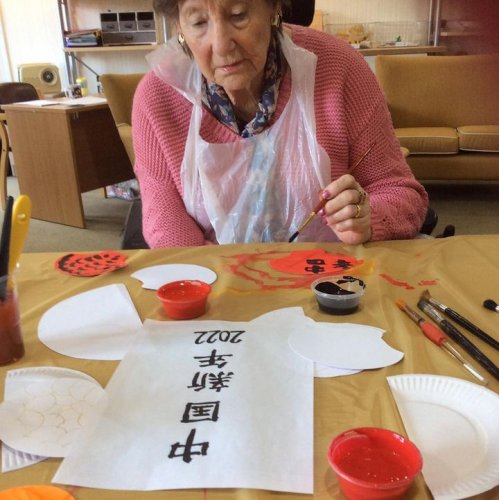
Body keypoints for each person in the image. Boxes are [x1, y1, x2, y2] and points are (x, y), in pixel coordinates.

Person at [132, 0, 428, 248]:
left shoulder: (340, 69)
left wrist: (367, 218)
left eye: (238, 15)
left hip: (332, 282)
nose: (221, 45)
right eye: (198, 23)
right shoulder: (158, 97)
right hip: (217, 286)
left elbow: (402, 195)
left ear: (273, 8)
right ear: (179, 28)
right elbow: (167, 228)